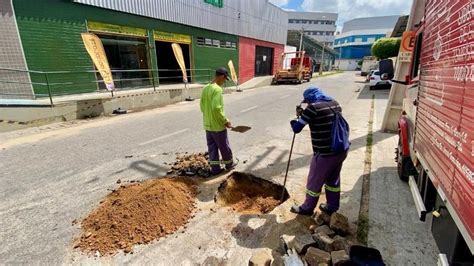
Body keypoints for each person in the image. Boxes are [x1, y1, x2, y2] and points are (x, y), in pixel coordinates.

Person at [289, 87, 349, 215]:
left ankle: (307, 208)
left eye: (308, 101)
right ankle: (332, 206)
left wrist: (296, 119)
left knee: (314, 181)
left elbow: (296, 128)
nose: (308, 103)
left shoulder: (313, 108)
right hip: (340, 150)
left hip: (325, 153)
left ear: (310, 99)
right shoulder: (335, 103)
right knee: (333, 180)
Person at [200, 67, 238, 175]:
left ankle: (215, 169)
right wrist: (225, 121)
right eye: (224, 79)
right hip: (217, 126)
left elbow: (202, 107)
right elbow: (216, 107)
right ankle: (229, 164)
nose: (224, 82)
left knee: (212, 148)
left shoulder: (206, 88)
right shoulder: (217, 89)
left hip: (207, 126)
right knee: (224, 146)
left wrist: (208, 117)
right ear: (221, 77)